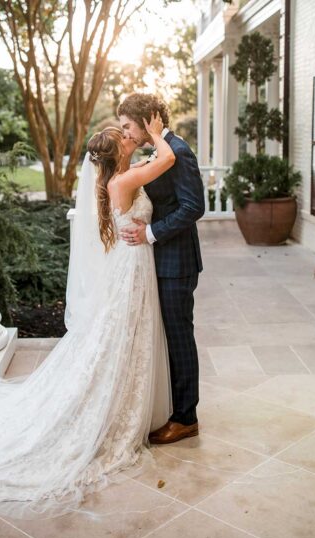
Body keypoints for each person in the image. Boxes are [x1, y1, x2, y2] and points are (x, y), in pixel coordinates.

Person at [0, 114, 176, 521]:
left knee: (125, 337)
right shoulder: (123, 181)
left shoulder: (116, 177)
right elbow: (164, 160)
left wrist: (134, 135)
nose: (132, 138)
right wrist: (159, 133)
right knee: (120, 337)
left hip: (131, 267)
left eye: (131, 134)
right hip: (131, 269)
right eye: (126, 138)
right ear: (116, 154)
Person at [118, 93, 205, 444]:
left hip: (177, 263)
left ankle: (186, 417)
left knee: (179, 338)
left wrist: (150, 233)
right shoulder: (159, 150)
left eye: (128, 125)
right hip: (161, 260)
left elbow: (193, 207)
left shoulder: (179, 151)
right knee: (167, 338)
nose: (126, 133)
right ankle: (173, 405)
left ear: (148, 119)